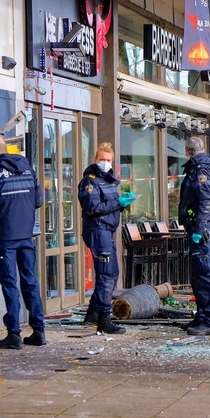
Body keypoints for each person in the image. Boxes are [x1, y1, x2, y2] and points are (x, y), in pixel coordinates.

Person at [0, 135, 45, 349]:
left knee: (9, 283)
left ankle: (14, 334)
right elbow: (38, 201)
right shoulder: (29, 171)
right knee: (30, 281)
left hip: (5, 238)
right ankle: (39, 331)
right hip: (26, 236)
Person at [78, 142, 137, 335]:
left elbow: (109, 205)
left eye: (108, 160)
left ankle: (93, 313)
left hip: (107, 230)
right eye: (102, 159)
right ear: (95, 160)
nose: (105, 162)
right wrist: (118, 202)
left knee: (112, 273)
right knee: (106, 274)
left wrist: (123, 203)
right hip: (97, 229)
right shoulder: (89, 181)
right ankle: (104, 318)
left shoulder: (109, 181)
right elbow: (93, 208)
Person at [178, 137, 210, 336]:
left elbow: (206, 201)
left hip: (202, 229)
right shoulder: (209, 168)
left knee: (205, 273)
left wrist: (199, 227)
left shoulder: (201, 170)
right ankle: (203, 316)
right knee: (198, 275)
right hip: (204, 226)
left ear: (187, 152)